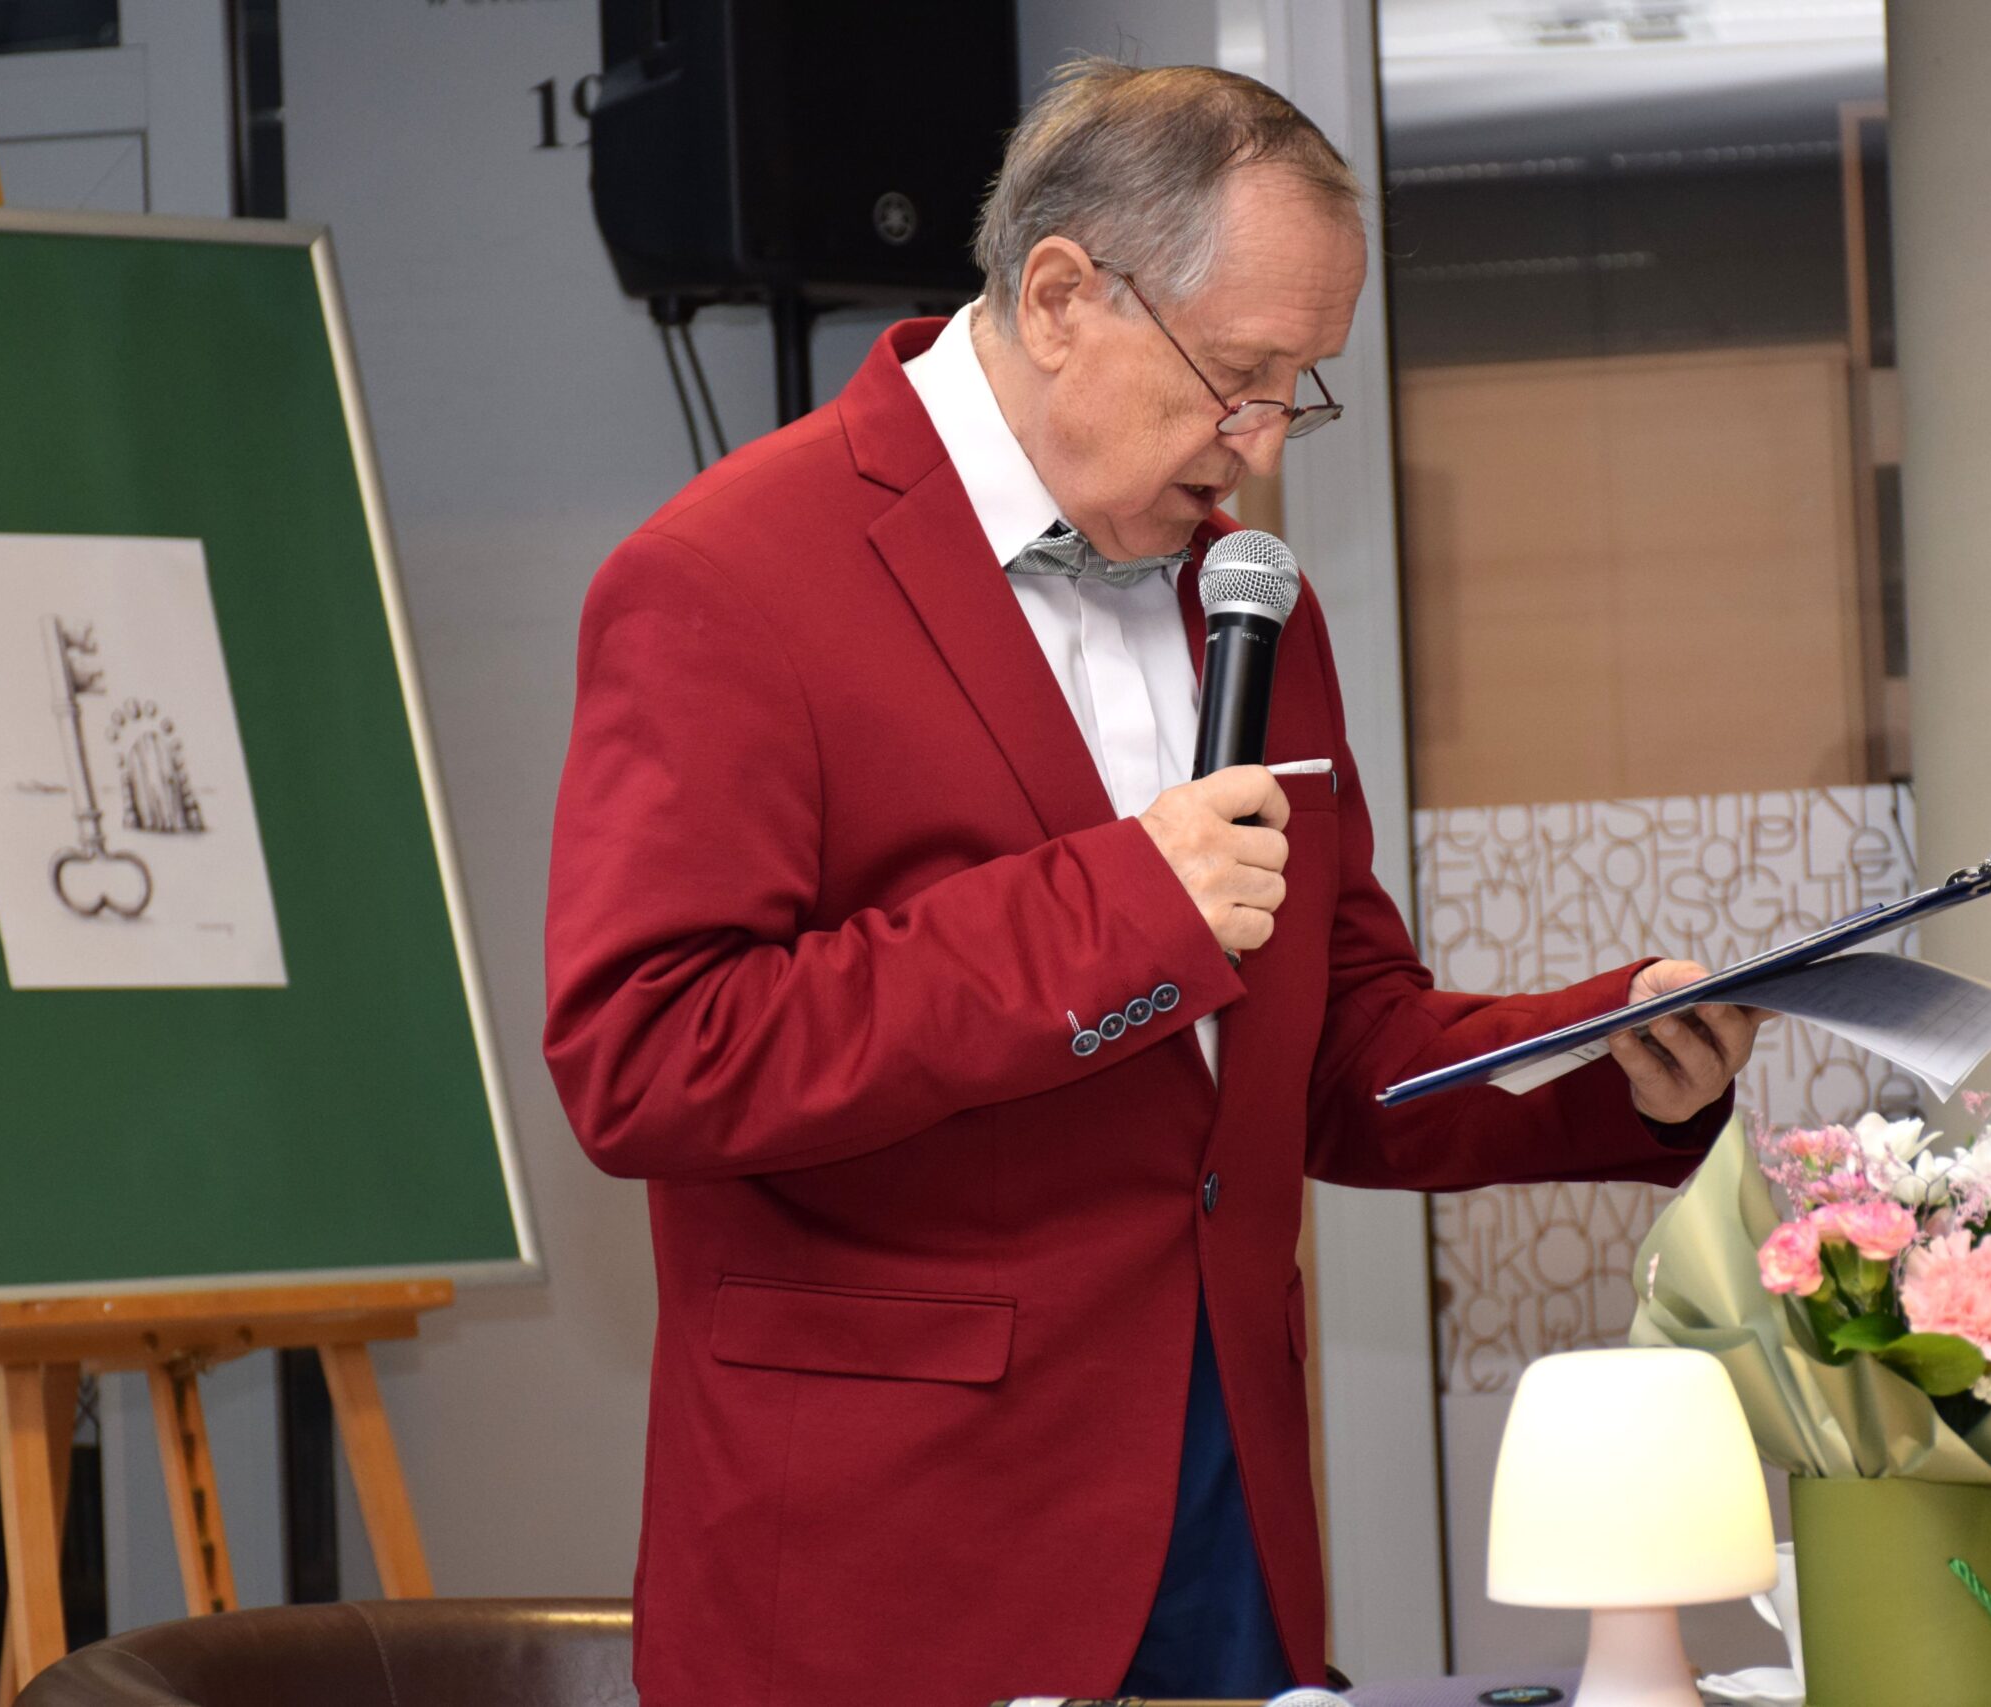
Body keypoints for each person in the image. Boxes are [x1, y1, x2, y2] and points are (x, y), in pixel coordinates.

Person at [543, 58, 1764, 1707]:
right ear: (1061, 297)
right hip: (892, 1552)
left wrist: (1608, 1056)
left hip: (1224, 1512)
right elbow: (647, 1058)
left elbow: (1330, 1041)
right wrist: (1121, 912)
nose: (1256, 450)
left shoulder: (1253, 600)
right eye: (1236, 377)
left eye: (1296, 392)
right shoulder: (722, 577)